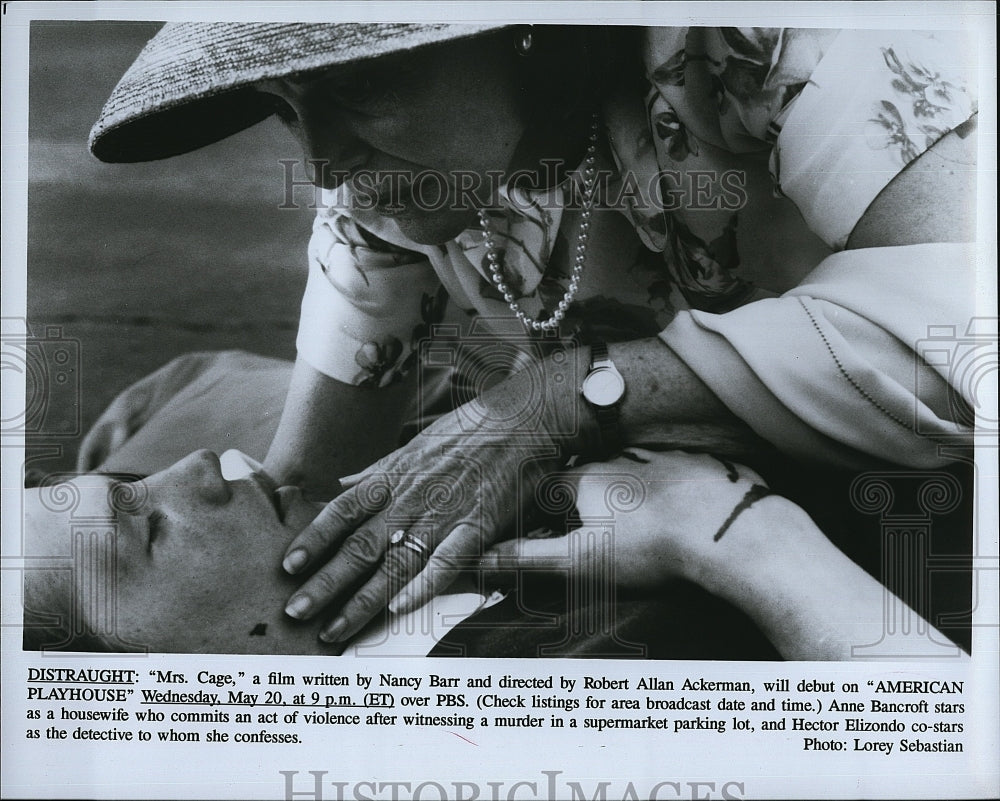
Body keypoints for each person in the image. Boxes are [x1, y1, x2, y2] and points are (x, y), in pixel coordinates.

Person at [84, 23, 978, 644]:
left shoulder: (755, 35)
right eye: (285, 104)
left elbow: (968, 329)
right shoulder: (390, 179)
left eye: (358, 83)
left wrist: (562, 397)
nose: (321, 159)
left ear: (520, 31)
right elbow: (318, 493)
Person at [23, 448, 966, 659]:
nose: (204, 464)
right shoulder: (516, 701)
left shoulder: (393, 523)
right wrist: (742, 537)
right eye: (144, 527)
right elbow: (947, 750)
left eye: (134, 473)